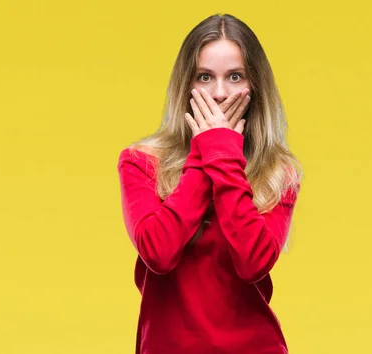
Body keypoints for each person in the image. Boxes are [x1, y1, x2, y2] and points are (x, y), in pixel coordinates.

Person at [116, 13, 302, 353]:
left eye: (234, 76)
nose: (218, 93)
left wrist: (221, 153)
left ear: (254, 85)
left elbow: (253, 263)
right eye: (205, 76)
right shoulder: (141, 162)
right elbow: (158, 253)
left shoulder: (278, 173)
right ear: (186, 84)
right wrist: (209, 152)